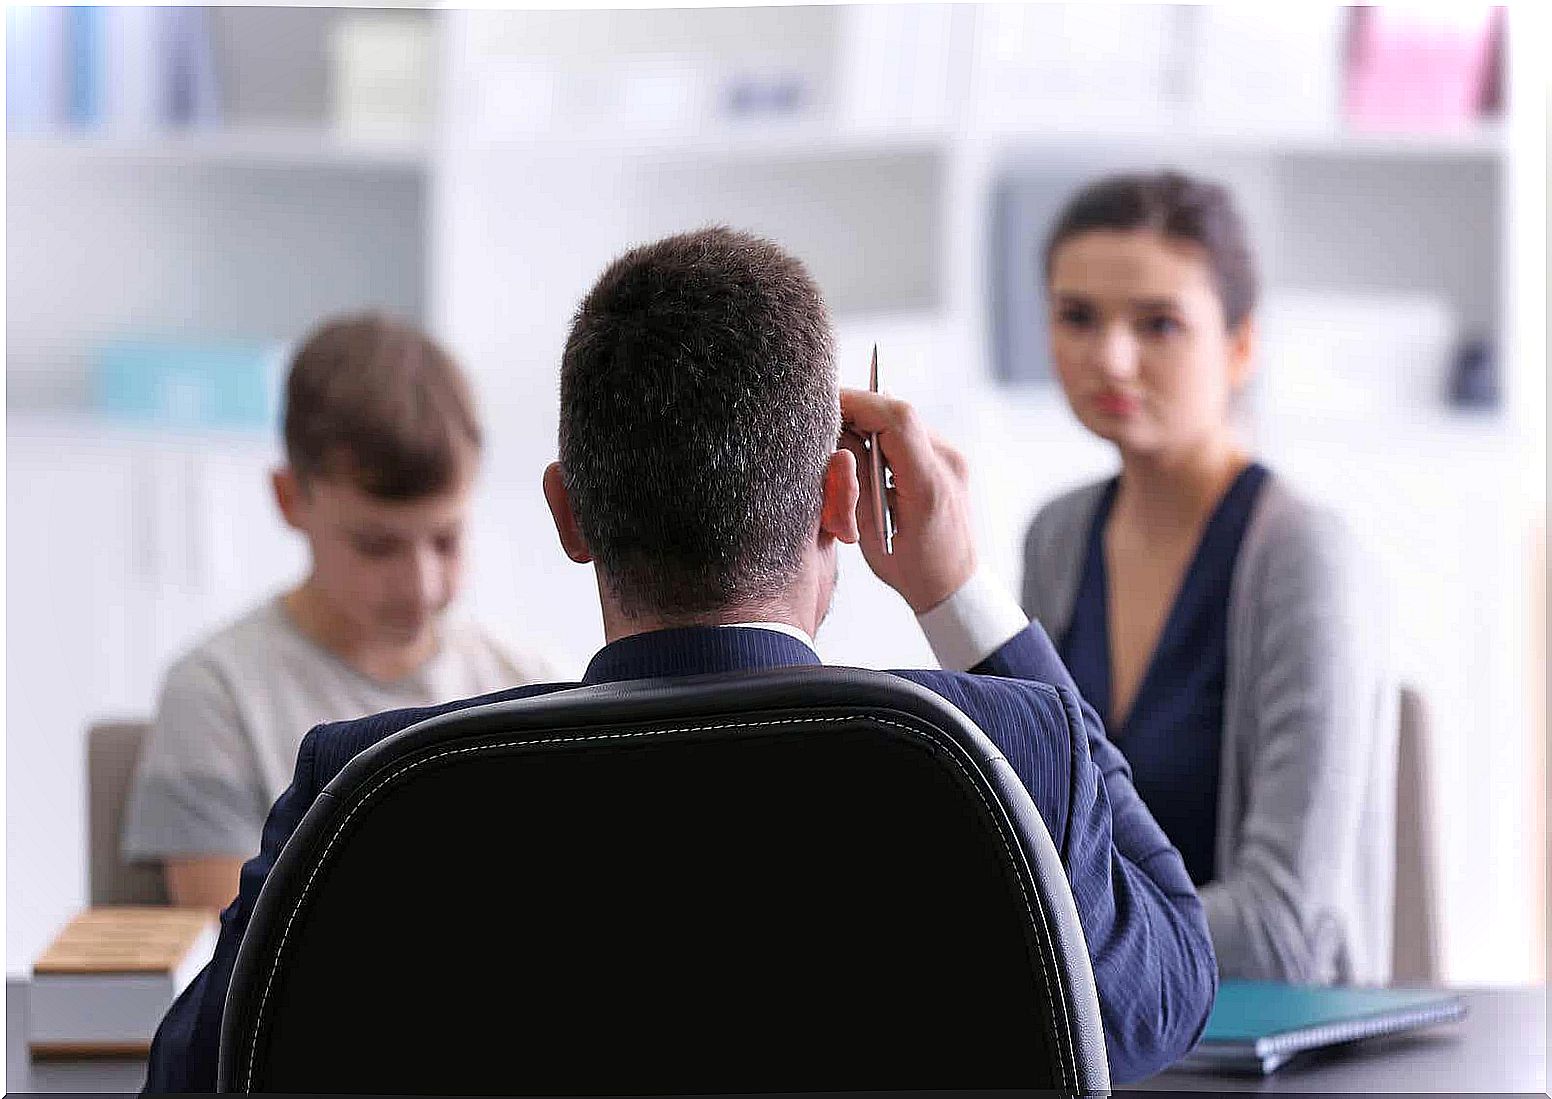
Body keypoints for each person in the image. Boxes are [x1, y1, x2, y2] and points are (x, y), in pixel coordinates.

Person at [143, 228, 1215, 1090]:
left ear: (569, 513)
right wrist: (955, 593)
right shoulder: (1008, 747)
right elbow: (1172, 973)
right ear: (841, 501)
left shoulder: (371, 786)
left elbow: (200, 1071)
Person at [1020, 171, 1397, 984]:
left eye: (1159, 323)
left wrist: (1045, 937)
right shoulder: (1056, 537)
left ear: (1242, 345)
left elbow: (1282, 933)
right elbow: (1026, 835)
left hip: (1265, 1051)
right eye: (1076, 316)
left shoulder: (1301, 554)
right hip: (1105, 1042)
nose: (1111, 358)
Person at [122, 313, 555, 910]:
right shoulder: (217, 696)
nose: (421, 586)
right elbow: (234, 976)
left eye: (447, 540)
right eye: (377, 546)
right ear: (290, 498)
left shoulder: (529, 688)